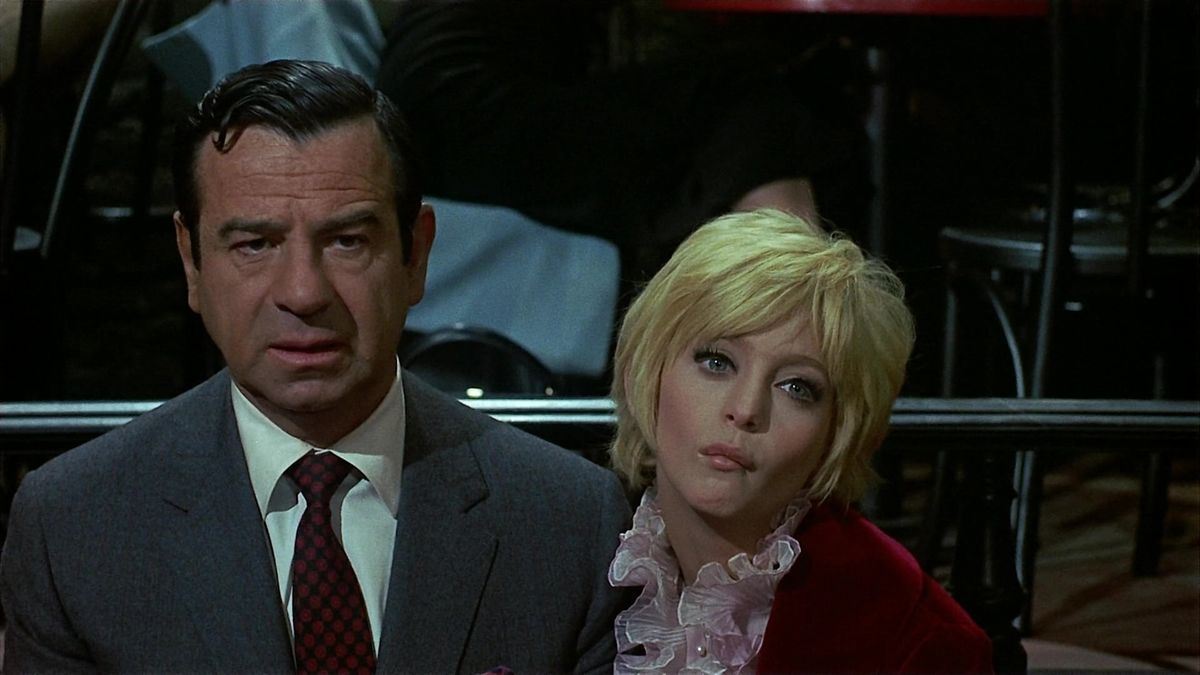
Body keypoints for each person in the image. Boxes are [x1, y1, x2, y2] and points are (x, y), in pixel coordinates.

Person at [0, 59, 630, 674]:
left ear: (416, 254)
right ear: (191, 262)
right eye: (255, 244)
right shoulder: (74, 527)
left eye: (347, 241)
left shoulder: (569, 522)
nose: (303, 292)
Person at [605, 209, 993, 673]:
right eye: (717, 362)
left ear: (837, 432)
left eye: (795, 387)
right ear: (646, 371)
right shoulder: (577, 556)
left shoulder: (918, 641)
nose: (746, 409)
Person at [375, 0, 868, 264]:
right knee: (757, 103)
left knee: (764, 102)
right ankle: (792, 310)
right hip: (467, 109)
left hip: (437, 111)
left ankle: (787, 307)